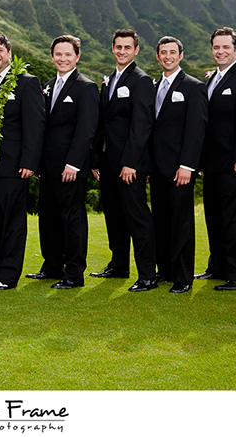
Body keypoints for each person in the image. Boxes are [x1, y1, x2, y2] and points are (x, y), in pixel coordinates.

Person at [0, 33, 46, 291]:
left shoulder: (27, 83)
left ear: (9, 53)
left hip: (16, 165)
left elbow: (36, 125)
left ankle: (8, 275)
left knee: (14, 221)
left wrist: (30, 162)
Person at [27, 35, 99, 289]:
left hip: (71, 167)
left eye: (68, 54)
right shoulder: (47, 86)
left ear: (77, 56)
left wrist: (74, 164)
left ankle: (74, 274)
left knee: (73, 220)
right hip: (47, 167)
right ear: (52, 56)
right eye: (58, 54)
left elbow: (86, 130)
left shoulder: (86, 87)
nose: (62, 59)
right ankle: (51, 265)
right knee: (48, 218)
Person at [91, 29, 158, 292]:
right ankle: (119, 265)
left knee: (137, 217)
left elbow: (142, 125)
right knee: (114, 216)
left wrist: (131, 162)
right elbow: (102, 122)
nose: (122, 51)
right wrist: (96, 159)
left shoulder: (141, 81)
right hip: (107, 162)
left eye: (127, 47)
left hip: (129, 164)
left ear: (136, 50)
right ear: (112, 48)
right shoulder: (109, 80)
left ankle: (148, 276)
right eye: (118, 47)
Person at [196, 27, 236, 291]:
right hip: (211, 164)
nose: (220, 51)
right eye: (216, 47)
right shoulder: (211, 79)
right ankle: (218, 266)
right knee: (214, 217)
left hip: (233, 165)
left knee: (234, 219)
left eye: (225, 47)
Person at [148, 36, 208, 294]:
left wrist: (188, 165)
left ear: (181, 55)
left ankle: (183, 278)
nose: (168, 56)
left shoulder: (194, 87)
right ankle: (167, 270)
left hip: (180, 169)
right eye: (163, 52)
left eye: (173, 52)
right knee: (160, 221)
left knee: (182, 222)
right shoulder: (153, 85)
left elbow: (197, 130)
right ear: (158, 56)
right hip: (157, 168)